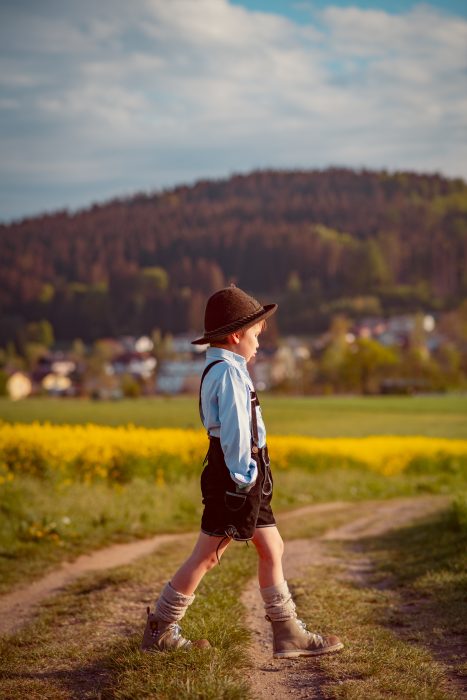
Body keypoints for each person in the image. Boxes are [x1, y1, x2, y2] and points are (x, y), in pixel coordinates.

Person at [141, 285, 344, 659]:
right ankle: (161, 629)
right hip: (237, 477)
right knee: (208, 554)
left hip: (243, 475)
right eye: (254, 337)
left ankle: (287, 633)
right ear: (236, 336)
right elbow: (236, 432)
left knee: (272, 547)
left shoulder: (225, 368)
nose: (258, 345)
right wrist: (245, 479)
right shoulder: (229, 374)